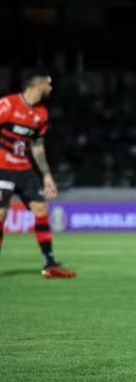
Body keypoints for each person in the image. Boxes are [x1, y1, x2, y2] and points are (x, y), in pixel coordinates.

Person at [0, 73, 75, 278]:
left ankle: (49, 264)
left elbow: (37, 146)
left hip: (23, 169)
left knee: (41, 208)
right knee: (1, 214)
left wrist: (47, 175)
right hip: (2, 167)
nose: (51, 89)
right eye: (48, 85)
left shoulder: (40, 114)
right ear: (39, 85)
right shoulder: (8, 104)